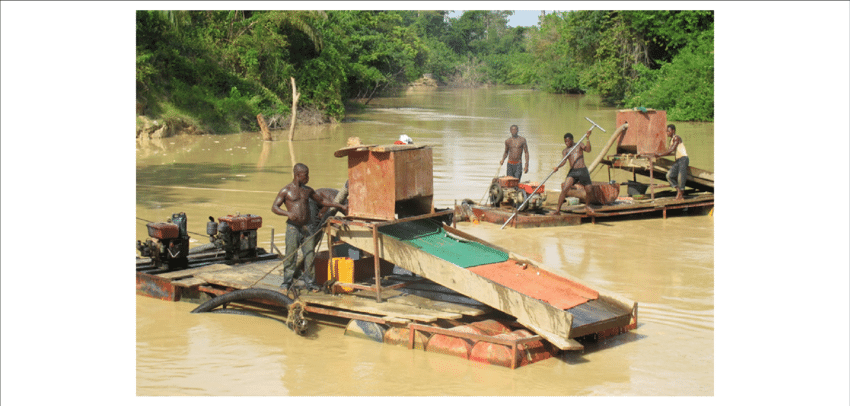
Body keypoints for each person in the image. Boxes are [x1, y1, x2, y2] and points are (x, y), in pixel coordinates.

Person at [272, 163, 348, 291]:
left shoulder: (308, 190)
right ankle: (287, 282)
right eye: (305, 175)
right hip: (293, 228)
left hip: (307, 227)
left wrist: (340, 206)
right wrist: (288, 213)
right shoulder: (286, 191)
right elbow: (274, 207)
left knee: (310, 255)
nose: (308, 177)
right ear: (297, 175)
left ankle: (311, 283)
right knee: (290, 255)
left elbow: (322, 201)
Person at [552, 130, 593, 215]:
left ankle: (587, 206)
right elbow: (563, 162)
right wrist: (557, 167)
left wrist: (588, 138)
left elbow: (588, 150)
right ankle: (557, 210)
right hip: (573, 172)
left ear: (572, 140)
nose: (566, 143)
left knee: (589, 189)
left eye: (568, 141)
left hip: (582, 170)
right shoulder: (565, 151)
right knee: (565, 189)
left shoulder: (579, 145)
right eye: (565, 142)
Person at [648, 124, 688, 200]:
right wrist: (657, 153)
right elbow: (668, 151)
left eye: (669, 131)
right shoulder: (671, 140)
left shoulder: (677, 138)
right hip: (678, 160)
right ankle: (679, 191)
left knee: (680, 178)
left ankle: (680, 195)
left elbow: (671, 150)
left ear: (673, 131)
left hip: (683, 159)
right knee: (669, 175)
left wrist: (659, 154)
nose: (667, 133)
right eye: (667, 131)